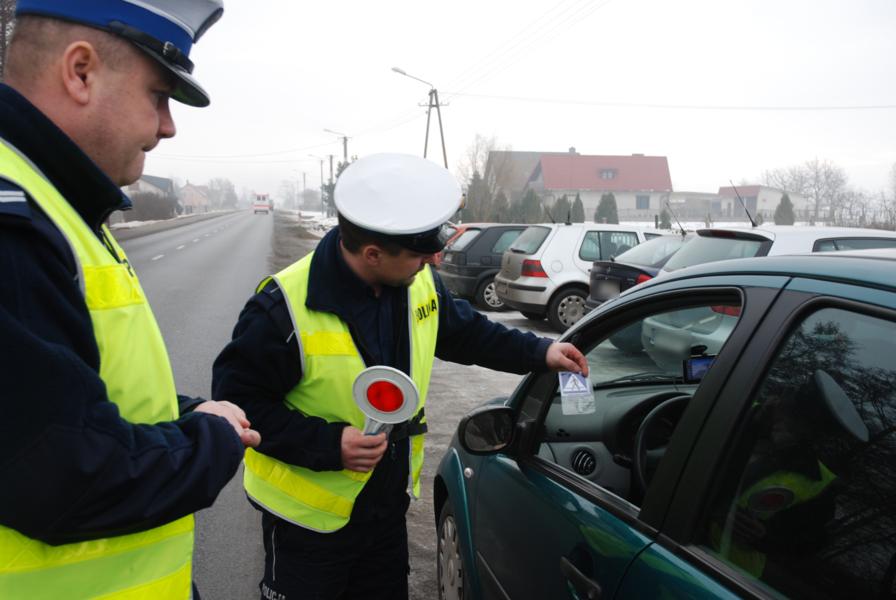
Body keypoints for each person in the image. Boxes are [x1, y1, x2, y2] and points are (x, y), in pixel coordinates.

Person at [213, 153, 590, 600]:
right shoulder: (283, 309)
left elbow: (468, 333)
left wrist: (541, 350)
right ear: (372, 253)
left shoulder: (414, 281)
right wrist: (329, 444)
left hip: (385, 515)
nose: (434, 257)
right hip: (308, 531)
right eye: (420, 252)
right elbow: (238, 408)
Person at [0, 1, 260, 598]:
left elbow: (65, 394)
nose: (167, 126)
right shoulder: (14, 225)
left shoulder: (53, 202)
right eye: (159, 95)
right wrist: (211, 440)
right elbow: (64, 471)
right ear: (81, 72)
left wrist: (182, 413)